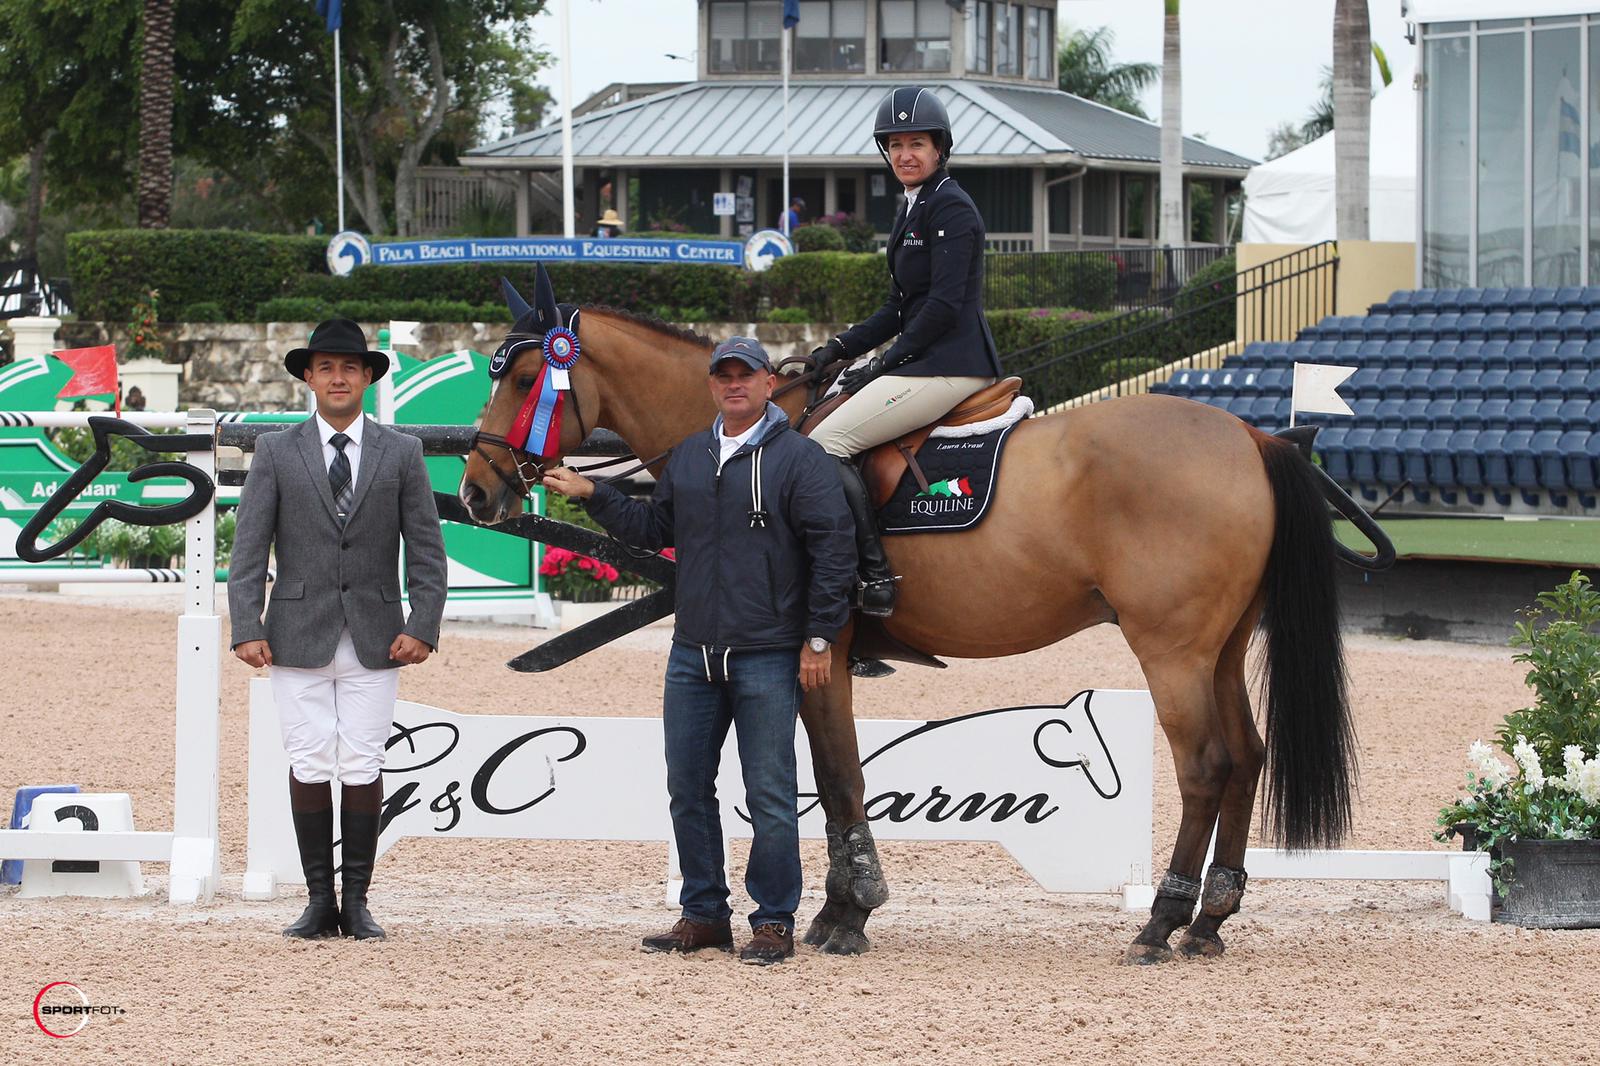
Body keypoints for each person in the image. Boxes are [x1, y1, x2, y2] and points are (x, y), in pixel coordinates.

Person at [541, 336, 855, 966]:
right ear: (712, 385)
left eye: (746, 375)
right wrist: (595, 495)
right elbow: (654, 531)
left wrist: (819, 637)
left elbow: (834, 550)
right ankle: (705, 913)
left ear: (770, 383)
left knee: (770, 791)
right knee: (687, 787)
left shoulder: (800, 459)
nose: (734, 384)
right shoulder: (689, 457)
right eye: (724, 376)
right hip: (692, 654)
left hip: (767, 652)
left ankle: (772, 920)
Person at [228, 317, 448, 942]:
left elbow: (427, 551)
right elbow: (249, 550)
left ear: (368, 377)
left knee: (362, 762)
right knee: (307, 758)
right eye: (326, 367)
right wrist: (247, 623)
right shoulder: (275, 449)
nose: (338, 377)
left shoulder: (401, 452)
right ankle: (318, 901)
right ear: (308, 377)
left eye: (350, 367)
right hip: (296, 629)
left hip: (379, 633)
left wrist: (423, 624)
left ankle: (357, 902)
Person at [805, 86, 1003, 618]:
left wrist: (880, 365)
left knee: (823, 445)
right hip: (926, 360)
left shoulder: (952, 207)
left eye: (917, 143)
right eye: (894, 145)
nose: (905, 154)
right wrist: (838, 349)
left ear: (940, 148)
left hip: (951, 366)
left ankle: (872, 576)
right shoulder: (912, 209)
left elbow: (941, 307)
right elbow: (898, 307)